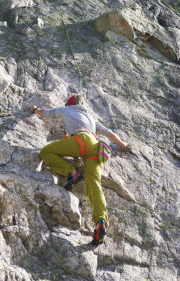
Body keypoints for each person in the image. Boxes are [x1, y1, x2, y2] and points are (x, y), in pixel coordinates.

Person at [30, 93, 131, 246]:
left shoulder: (67, 110)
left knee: (45, 152)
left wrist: (35, 109)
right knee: (94, 185)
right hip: (96, 148)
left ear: (69, 104)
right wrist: (123, 144)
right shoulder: (91, 117)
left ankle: (71, 172)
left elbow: (45, 114)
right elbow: (110, 134)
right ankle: (101, 222)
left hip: (80, 141)